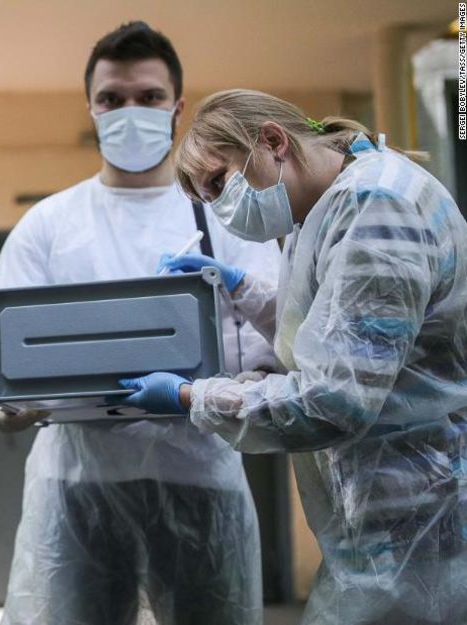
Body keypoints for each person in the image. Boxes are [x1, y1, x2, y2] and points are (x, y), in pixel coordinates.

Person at [125, 88, 467, 624]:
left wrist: (192, 395)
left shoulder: (375, 206)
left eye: (219, 182)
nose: (222, 209)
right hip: (393, 521)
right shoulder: (328, 206)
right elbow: (334, 328)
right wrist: (240, 286)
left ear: (273, 141)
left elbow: (333, 400)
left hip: (423, 525)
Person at [0, 22, 281, 625]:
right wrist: (12, 405)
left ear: (177, 107)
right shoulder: (47, 226)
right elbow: (2, 382)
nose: (130, 112)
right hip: (77, 489)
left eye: (148, 98)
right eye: (111, 99)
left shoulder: (227, 222)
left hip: (201, 481)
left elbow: (278, 347)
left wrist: (202, 392)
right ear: (90, 109)